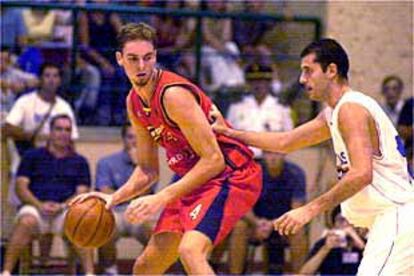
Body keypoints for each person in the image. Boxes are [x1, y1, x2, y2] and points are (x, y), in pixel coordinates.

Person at [71, 22, 262, 275]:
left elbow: (214, 160)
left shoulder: (173, 95)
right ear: (119, 59)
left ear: (155, 57)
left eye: (147, 58)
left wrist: (160, 198)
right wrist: (112, 198)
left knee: (190, 251)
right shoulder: (134, 102)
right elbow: (148, 170)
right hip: (194, 180)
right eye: (133, 59)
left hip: (231, 175)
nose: (141, 66)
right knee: (145, 267)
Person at [212, 38, 414, 275]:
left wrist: (308, 210)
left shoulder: (351, 109)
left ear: (331, 70)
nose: (302, 80)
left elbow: (361, 173)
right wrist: (229, 133)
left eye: (308, 71)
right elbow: (285, 142)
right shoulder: (335, 112)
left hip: (396, 219)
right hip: (388, 222)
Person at [1, 114, 94, 276]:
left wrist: (63, 206)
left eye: (67, 130)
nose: (63, 133)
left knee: (80, 224)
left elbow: (82, 193)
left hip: (65, 210)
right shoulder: (32, 156)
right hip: (35, 208)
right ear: (50, 132)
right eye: (59, 129)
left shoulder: (80, 161)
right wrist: (39, 205)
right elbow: (21, 187)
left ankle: (90, 273)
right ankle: (6, 272)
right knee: (25, 221)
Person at [95, 123, 156, 275]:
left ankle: (144, 271)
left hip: (138, 211)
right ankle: (110, 270)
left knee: (155, 232)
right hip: (115, 212)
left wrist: (140, 167)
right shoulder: (106, 162)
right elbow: (106, 193)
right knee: (103, 227)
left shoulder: (149, 164)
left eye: (139, 138)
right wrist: (129, 195)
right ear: (123, 139)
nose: (134, 142)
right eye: (130, 137)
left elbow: (147, 194)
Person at [3, 62, 79, 157]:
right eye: (47, 76)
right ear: (40, 79)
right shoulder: (24, 101)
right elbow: (7, 128)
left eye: (55, 76)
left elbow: (72, 139)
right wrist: (31, 136)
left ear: (60, 81)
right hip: (30, 157)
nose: (51, 80)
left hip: (56, 159)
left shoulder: (65, 107)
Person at [226, 63, 293, 159]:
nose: (258, 85)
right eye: (254, 81)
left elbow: (289, 139)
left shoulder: (281, 108)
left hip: (271, 163)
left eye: (262, 81)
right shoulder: (236, 108)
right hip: (243, 162)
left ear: (269, 83)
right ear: (248, 84)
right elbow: (229, 137)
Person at [300, 206, 365, 275]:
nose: (345, 224)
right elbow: (305, 273)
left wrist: (359, 243)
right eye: (341, 220)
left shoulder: (365, 243)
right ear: (334, 225)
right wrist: (326, 248)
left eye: (350, 221)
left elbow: (376, 269)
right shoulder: (324, 243)